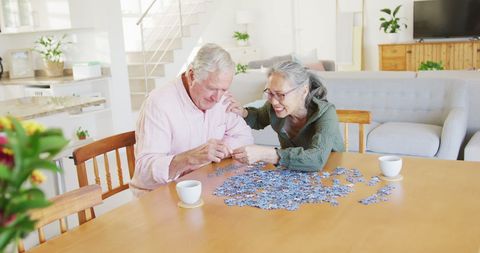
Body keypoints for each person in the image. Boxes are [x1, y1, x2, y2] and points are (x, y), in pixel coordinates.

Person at [130, 43, 254, 194]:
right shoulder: (158, 103)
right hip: (161, 195)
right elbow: (144, 172)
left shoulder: (221, 97)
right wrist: (189, 158)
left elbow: (245, 137)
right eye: (212, 88)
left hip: (206, 184)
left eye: (224, 89)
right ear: (191, 75)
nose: (217, 98)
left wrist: (220, 150)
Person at [227, 61, 344, 171]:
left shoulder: (326, 113)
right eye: (270, 93)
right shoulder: (272, 107)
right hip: (293, 172)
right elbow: (258, 119)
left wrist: (266, 154)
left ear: (304, 91)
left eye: (281, 94)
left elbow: (317, 159)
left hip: (330, 173)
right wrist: (243, 112)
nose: (274, 102)